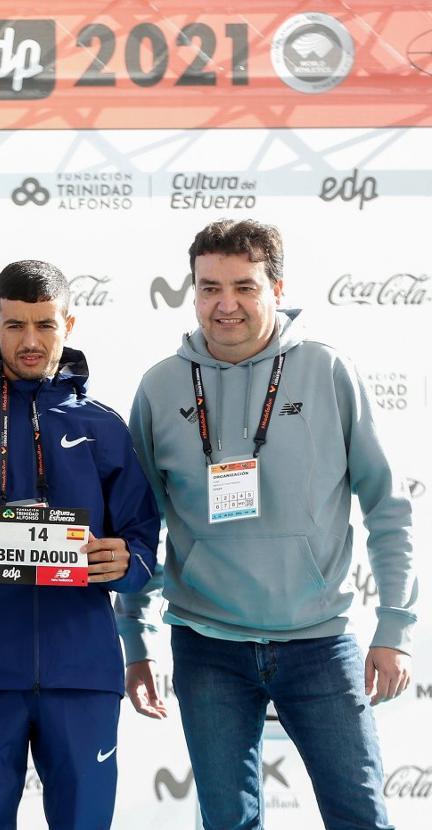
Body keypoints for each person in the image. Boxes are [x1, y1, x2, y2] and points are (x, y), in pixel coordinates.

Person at [118, 218, 416, 830]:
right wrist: (137, 640)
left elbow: (387, 504)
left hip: (318, 640)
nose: (225, 304)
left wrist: (395, 625)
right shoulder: (160, 386)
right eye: (208, 287)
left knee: (361, 816)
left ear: (278, 288)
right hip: (206, 644)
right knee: (227, 823)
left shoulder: (328, 372)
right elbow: (139, 526)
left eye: (244, 287)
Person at [0, 260, 159, 830]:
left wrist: (127, 560)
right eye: (15, 325)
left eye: (45, 325)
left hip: (82, 673)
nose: (29, 341)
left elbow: (143, 539)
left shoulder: (103, 426)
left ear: (69, 323)